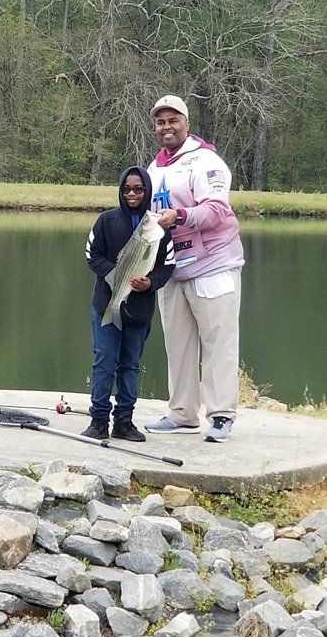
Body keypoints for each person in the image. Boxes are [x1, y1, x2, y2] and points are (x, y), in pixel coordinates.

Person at [145, 95, 244, 442]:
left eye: (173, 120)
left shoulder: (206, 162)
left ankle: (220, 416)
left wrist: (181, 216)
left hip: (213, 265)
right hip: (172, 269)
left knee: (219, 342)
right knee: (179, 344)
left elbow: (217, 210)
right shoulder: (154, 169)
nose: (167, 127)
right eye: (161, 122)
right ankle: (182, 413)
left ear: (187, 124)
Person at [82, 165, 175, 442]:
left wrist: (150, 283)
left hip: (140, 309)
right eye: (126, 189)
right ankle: (98, 420)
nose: (132, 194)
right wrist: (114, 275)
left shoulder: (158, 230)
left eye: (138, 189)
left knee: (130, 366)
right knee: (104, 362)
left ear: (147, 192)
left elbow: (167, 265)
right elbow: (91, 253)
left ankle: (124, 421)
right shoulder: (106, 221)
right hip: (107, 303)